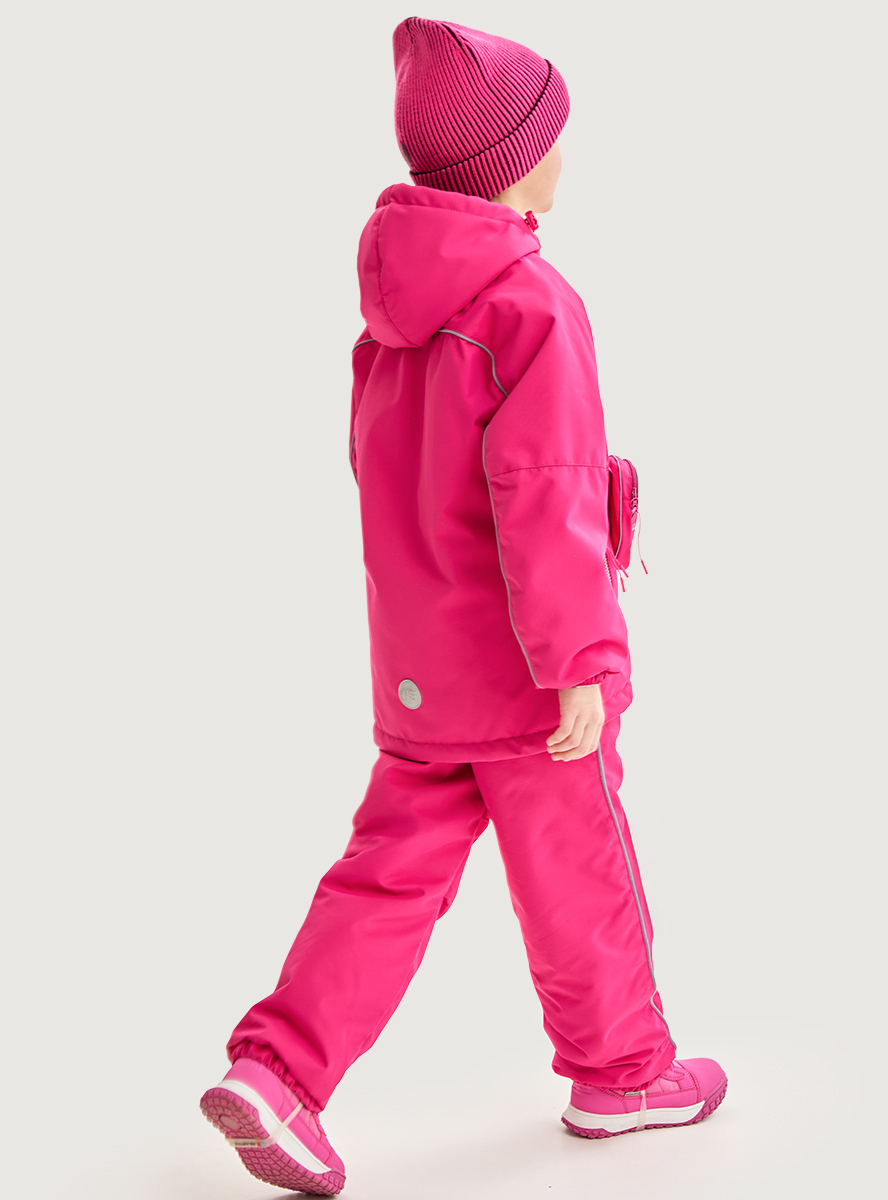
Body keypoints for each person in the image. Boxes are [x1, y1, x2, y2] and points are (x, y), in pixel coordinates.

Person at [199, 17, 726, 1196]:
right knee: (578, 869)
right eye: (553, 137)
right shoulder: (532, 304)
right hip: (530, 679)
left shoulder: (390, 321)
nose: (565, 157)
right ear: (512, 163)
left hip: (420, 668)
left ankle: (278, 1075)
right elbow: (547, 494)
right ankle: (624, 1073)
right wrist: (582, 660)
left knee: (386, 875)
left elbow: (379, 479)